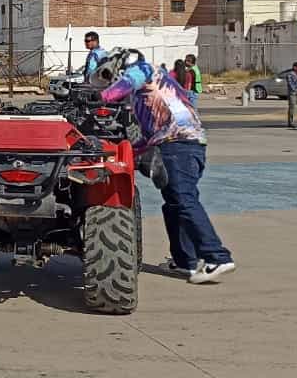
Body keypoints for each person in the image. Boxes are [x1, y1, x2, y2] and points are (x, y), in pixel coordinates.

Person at [93, 47, 234, 284]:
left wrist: (101, 98)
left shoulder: (145, 70)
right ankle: (184, 261)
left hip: (178, 144)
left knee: (184, 200)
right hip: (183, 144)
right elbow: (145, 137)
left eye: (109, 76)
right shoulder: (145, 94)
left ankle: (216, 256)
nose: (108, 82)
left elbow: (124, 84)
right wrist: (123, 151)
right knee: (173, 204)